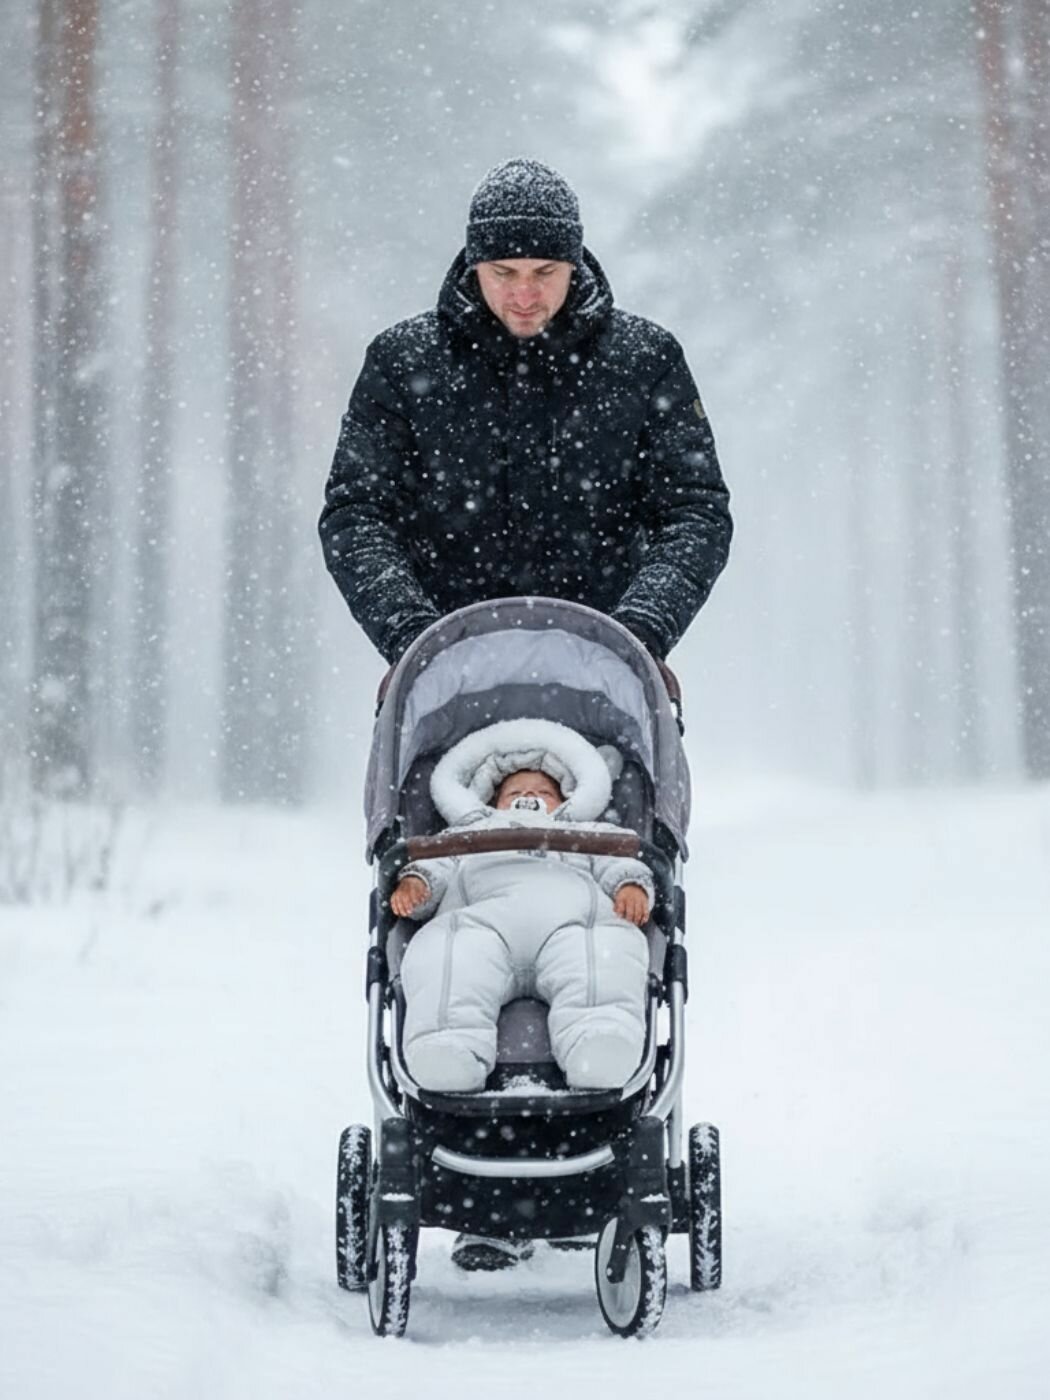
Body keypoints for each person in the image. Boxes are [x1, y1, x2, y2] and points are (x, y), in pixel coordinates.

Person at [319, 157, 732, 666]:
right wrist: (414, 639)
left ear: (575, 264)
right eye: (503, 272)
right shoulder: (401, 364)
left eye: (545, 272)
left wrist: (638, 634)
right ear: (474, 265)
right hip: (442, 685)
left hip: (611, 684)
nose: (523, 295)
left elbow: (696, 513)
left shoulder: (646, 362)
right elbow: (356, 516)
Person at [391, 716, 653, 1273]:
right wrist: (415, 886)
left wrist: (632, 888)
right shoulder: (463, 839)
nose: (529, 799)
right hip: (481, 922)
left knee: (603, 951)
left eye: (542, 791)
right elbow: (432, 876)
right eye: (516, 791)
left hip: (572, 924)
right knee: (449, 950)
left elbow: (623, 867)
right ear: (487, 797)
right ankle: (448, 1048)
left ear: (568, 799)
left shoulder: (589, 836)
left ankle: (599, 1039)